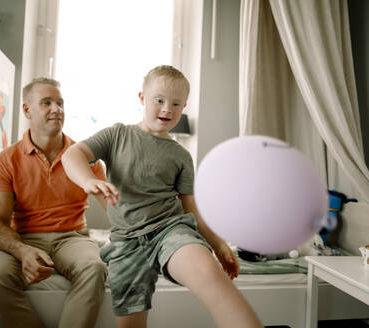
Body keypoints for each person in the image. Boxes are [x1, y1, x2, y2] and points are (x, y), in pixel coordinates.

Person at [61, 65, 263, 328]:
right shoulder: (117, 134)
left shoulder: (180, 156)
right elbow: (71, 155)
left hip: (170, 231)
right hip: (126, 243)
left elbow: (190, 209)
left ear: (184, 107)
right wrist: (88, 180)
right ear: (142, 98)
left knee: (209, 274)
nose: (167, 109)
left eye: (176, 104)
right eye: (159, 100)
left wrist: (218, 244)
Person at [0, 78, 108, 328]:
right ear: (27, 110)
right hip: (24, 238)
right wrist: (23, 251)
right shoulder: (5, 161)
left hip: (72, 237)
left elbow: (115, 210)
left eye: (60, 103)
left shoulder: (87, 157)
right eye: (47, 103)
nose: (57, 109)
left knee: (94, 268)